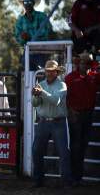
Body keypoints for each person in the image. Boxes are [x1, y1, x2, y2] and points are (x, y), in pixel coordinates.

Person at [31, 60, 72, 188]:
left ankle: (66, 182)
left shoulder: (62, 85)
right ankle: (38, 181)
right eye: (47, 71)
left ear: (56, 72)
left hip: (58, 122)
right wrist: (36, 96)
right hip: (43, 121)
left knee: (63, 153)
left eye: (51, 71)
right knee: (36, 151)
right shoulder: (41, 84)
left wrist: (41, 92)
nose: (48, 73)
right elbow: (35, 103)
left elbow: (56, 100)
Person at [65, 52, 100, 186]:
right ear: (78, 63)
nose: (85, 65)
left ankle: (77, 177)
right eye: (84, 62)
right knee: (76, 146)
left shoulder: (93, 76)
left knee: (82, 145)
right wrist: (70, 111)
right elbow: (64, 97)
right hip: (75, 115)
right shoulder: (70, 78)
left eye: (88, 63)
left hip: (87, 115)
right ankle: (75, 177)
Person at [15, 0, 52, 70]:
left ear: (33, 3)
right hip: (28, 52)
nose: (27, 4)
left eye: (29, 2)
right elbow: (17, 36)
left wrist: (29, 37)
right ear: (23, 4)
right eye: (25, 2)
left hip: (42, 52)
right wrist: (22, 38)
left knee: (42, 74)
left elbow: (46, 32)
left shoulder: (42, 16)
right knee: (28, 76)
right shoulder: (20, 20)